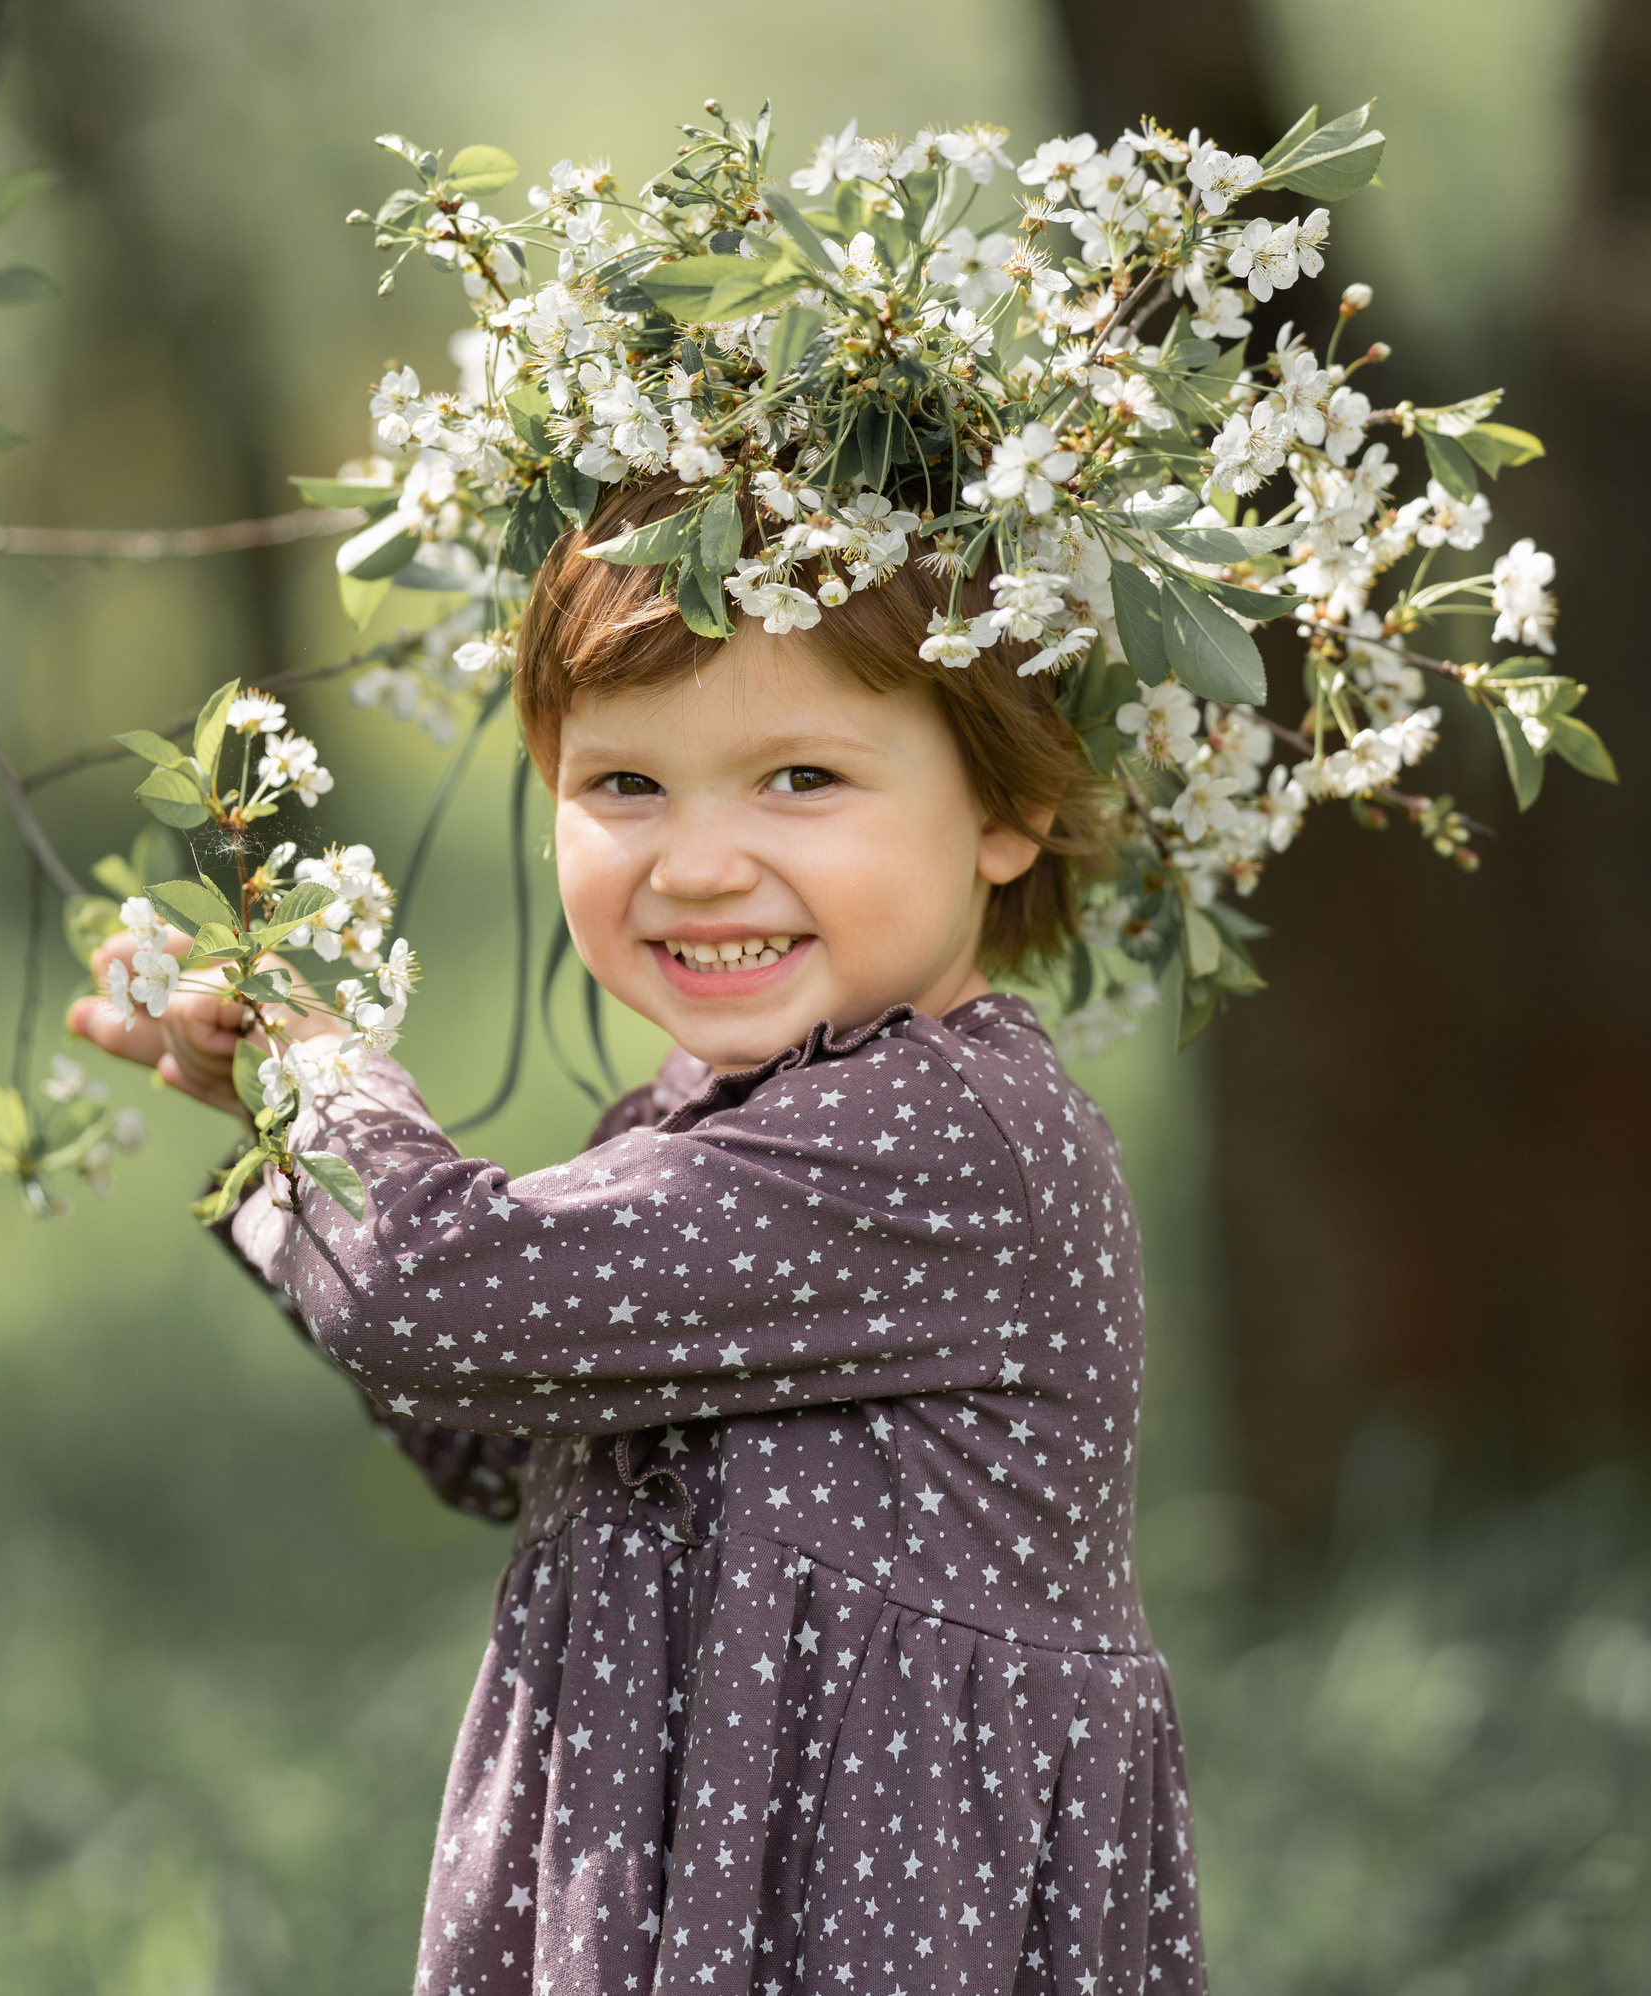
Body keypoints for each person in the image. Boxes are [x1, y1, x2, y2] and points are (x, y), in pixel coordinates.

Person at [66, 472, 1201, 1996]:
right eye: (625, 784)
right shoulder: (700, 1115)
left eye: (801, 776)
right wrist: (278, 1125)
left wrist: (322, 1076)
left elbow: (427, 1301)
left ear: (1008, 807)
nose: (698, 864)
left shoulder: (944, 1137)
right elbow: (499, 1441)